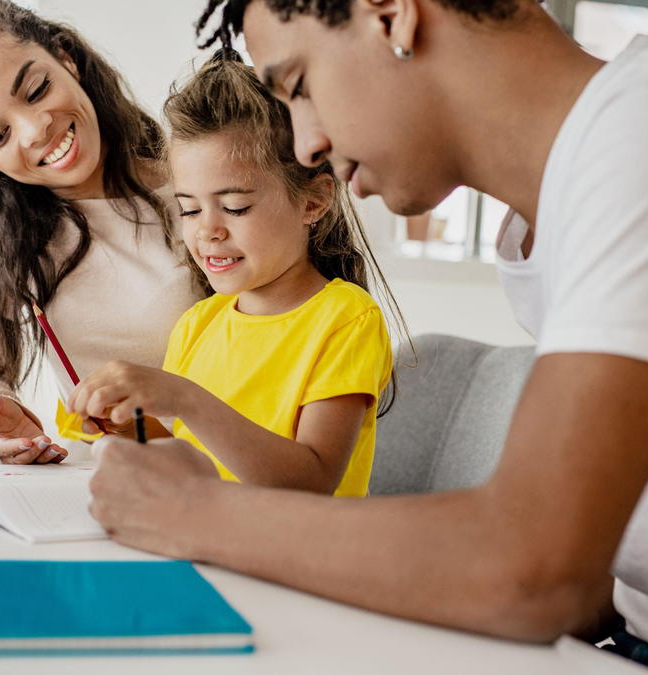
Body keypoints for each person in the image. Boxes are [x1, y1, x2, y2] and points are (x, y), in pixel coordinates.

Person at [86, 1, 648, 673]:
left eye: (300, 85)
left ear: (391, 15)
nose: (307, 142)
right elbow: (605, 562)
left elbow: (536, 567)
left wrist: (193, 512)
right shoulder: (546, 217)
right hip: (638, 642)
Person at [66, 52, 400, 496]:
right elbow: (197, 465)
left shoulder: (346, 320)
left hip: (296, 559)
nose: (207, 230)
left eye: (235, 207)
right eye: (188, 208)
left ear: (313, 202)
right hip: (211, 542)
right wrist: (123, 428)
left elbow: (311, 482)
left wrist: (185, 397)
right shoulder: (198, 324)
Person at [0, 0, 202, 463]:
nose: (35, 130)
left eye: (37, 90)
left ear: (66, 59)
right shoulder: (0, 235)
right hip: (118, 484)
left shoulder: (200, 187)